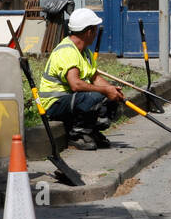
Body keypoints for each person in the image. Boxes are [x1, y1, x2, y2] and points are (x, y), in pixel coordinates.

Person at [38, 8, 123, 150]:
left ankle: (91, 131)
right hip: (54, 104)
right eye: (95, 30)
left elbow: (95, 78)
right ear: (89, 31)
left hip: (71, 99)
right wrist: (104, 91)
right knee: (94, 96)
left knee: (107, 94)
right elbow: (75, 85)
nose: (96, 34)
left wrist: (112, 90)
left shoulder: (85, 53)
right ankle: (77, 134)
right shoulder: (67, 51)